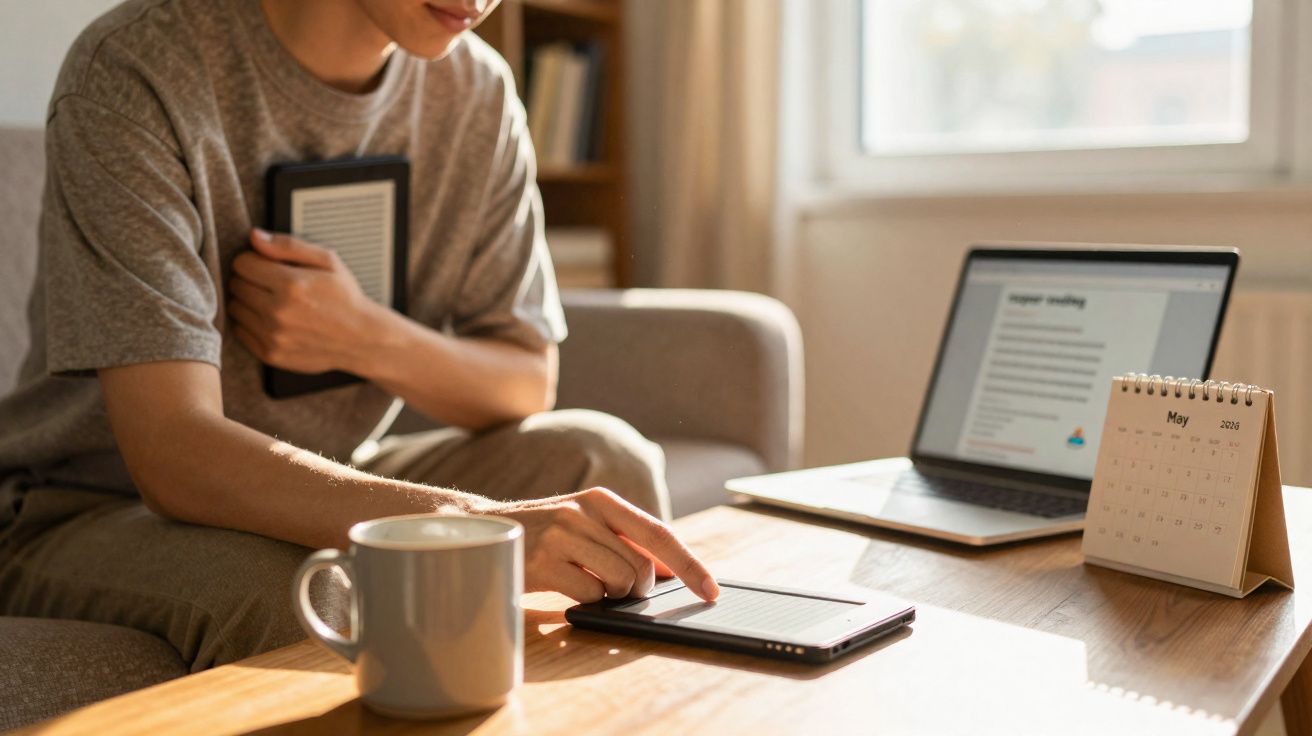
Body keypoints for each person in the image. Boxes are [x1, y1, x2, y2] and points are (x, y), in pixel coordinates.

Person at [0, 0, 719, 670]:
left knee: (604, 460)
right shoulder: (138, 68)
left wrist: (364, 337)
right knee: (304, 592)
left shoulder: (477, 90)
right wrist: (464, 523)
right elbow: (171, 451)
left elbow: (526, 377)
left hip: (339, 461)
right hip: (91, 506)